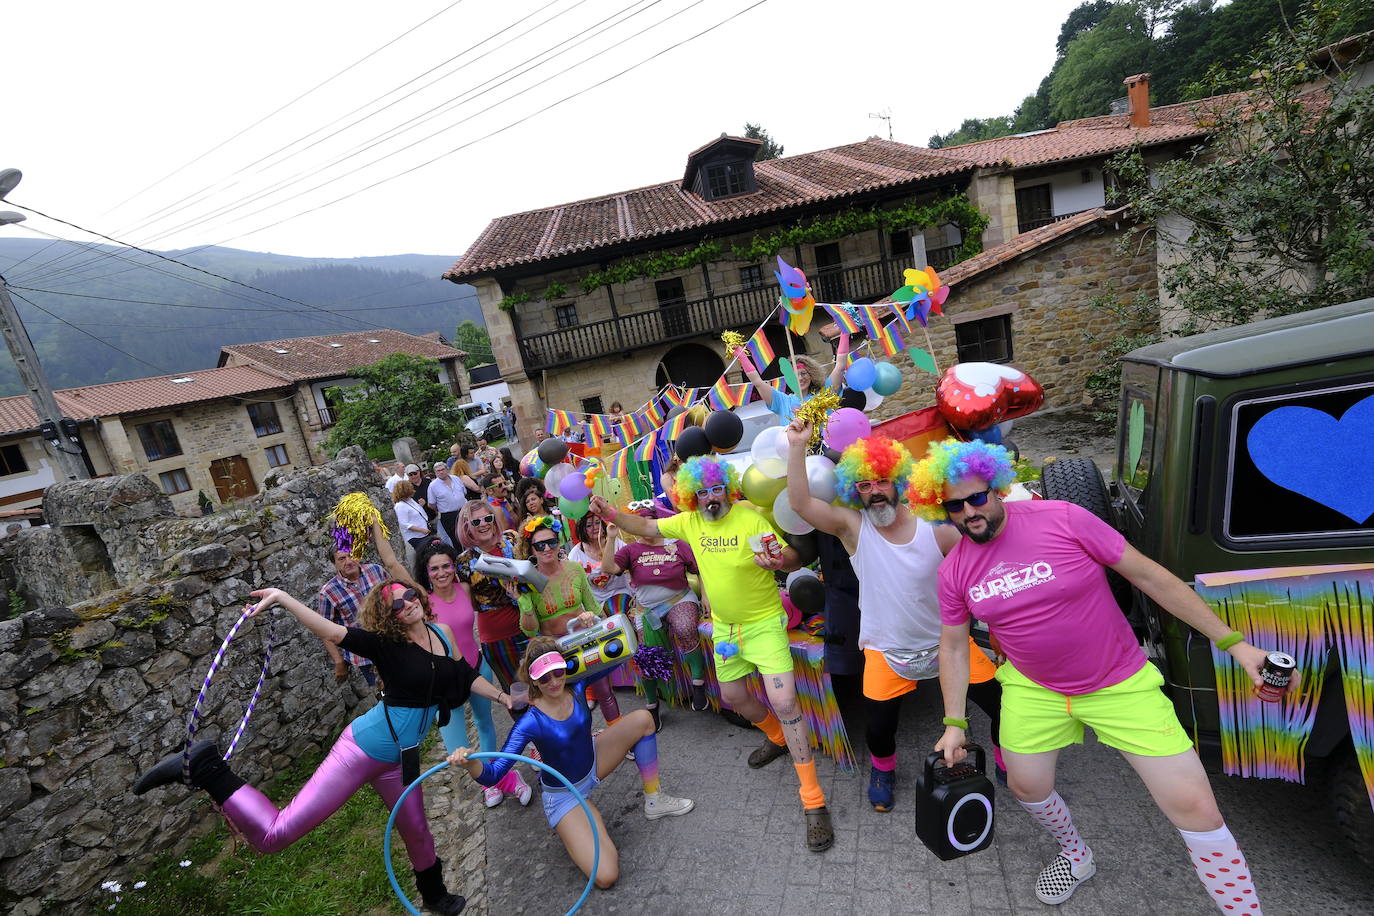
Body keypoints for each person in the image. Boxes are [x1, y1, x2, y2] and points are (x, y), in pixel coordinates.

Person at [910, 439, 1271, 911]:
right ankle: (1076, 854)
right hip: (1033, 689)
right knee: (1026, 786)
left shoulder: (1062, 517)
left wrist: (1235, 644)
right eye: (954, 505)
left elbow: (1151, 578)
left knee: (1195, 808)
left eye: (976, 497)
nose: (968, 512)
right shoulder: (954, 570)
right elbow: (954, 645)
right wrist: (954, 722)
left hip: (1119, 682)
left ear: (997, 488)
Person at [134, 581, 514, 916]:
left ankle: (435, 895)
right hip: (363, 749)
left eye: (410, 595)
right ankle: (208, 770)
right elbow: (333, 632)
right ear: (389, 616)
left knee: (417, 830)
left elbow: (464, 675)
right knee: (275, 835)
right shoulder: (384, 645)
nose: (408, 604)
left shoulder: (442, 632)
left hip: (403, 758)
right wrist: (284, 599)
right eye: (397, 604)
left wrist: (503, 697)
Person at [589, 455, 835, 852]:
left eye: (715, 488)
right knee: (735, 698)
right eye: (701, 492)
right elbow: (646, 525)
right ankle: (775, 737)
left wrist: (779, 560)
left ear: (727, 488)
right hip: (726, 630)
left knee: (784, 700)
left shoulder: (750, 517)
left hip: (764, 624)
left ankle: (813, 800)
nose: (710, 498)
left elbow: (790, 555)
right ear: (692, 495)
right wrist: (612, 513)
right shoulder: (688, 523)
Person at [783, 420, 1003, 813]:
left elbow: (984, 562)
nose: (874, 492)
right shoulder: (853, 528)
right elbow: (801, 504)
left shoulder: (936, 530)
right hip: (886, 652)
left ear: (897, 479)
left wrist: (1000, 626)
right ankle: (883, 771)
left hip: (948, 645)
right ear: (855, 490)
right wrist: (798, 447)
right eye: (864, 485)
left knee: (1003, 706)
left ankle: (1005, 761)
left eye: (881, 480)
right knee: (880, 728)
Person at [447, 636, 694, 889]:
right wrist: (470, 764)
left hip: (595, 760)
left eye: (558, 672)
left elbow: (621, 652)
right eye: (544, 677)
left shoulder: (576, 687)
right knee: (607, 875)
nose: (554, 682)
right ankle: (578, 821)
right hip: (565, 795)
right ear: (533, 679)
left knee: (643, 719)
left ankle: (654, 799)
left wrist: (594, 630)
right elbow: (493, 773)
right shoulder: (529, 722)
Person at [416, 542, 532, 809]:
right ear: (426, 572)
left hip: (476, 668)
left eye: (446, 565)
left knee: (484, 723)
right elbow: (393, 565)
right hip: (443, 683)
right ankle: (504, 778)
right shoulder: (421, 601)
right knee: (456, 749)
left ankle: (491, 778)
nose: (442, 572)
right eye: (434, 568)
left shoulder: (465, 589)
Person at [599, 507, 711, 717]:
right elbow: (608, 568)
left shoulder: (677, 545)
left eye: (651, 523)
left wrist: (704, 596)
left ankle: (698, 683)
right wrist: (612, 537)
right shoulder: (631, 550)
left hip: (679, 599)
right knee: (646, 655)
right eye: (642, 523)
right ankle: (652, 705)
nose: (647, 528)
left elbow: (700, 569)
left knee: (685, 627)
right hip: (647, 609)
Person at [512, 515, 623, 725]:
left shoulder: (574, 568)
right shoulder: (529, 581)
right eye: (540, 545)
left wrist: (602, 624)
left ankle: (621, 736)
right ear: (531, 549)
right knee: (572, 700)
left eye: (551, 542)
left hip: (583, 641)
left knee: (604, 691)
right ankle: (583, 746)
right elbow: (530, 630)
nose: (547, 549)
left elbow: (592, 606)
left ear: (558, 542)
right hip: (554, 650)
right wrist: (523, 603)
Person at [316, 521, 410, 686]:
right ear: (334, 564)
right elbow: (324, 629)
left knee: (412, 681)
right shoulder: (328, 592)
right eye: (342, 559)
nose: (349, 561)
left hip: (394, 639)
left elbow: (396, 598)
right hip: (366, 657)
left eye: (351, 554)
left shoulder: (376, 571)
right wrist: (338, 661)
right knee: (387, 694)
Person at [453, 499, 529, 689]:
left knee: (546, 682)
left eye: (488, 518)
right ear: (467, 528)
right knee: (516, 691)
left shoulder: (512, 539)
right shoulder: (464, 562)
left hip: (531, 622)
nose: (484, 524)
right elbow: (467, 603)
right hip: (498, 636)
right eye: (476, 521)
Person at [735, 334, 848, 425]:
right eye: (794, 375)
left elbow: (840, 366)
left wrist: (844, 333)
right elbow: (757, 382)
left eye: (803, 373)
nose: (800, 378)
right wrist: (742, 356)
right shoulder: (783, 401)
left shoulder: (825, 393)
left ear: (811, 374)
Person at [392, 479, 433, 567]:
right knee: (426, 558)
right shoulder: (400, 506)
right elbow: (404, 524)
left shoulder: (409, 500)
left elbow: (415, 512)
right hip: (416, 536)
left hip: (424, 533)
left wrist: (421, 505)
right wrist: (421, 530)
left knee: (430, 555)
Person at [429, 461, 465, 546]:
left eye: (442, 469)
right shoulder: (433, 486)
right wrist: (442, 508)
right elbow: (431, 504)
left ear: (447, 469)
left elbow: (464, 492)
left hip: (463, 511)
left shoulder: (456, 478)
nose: (441, 472)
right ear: (435, 473)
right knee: (456, 539)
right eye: (438, 471)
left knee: (469, 533)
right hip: (448, 515)